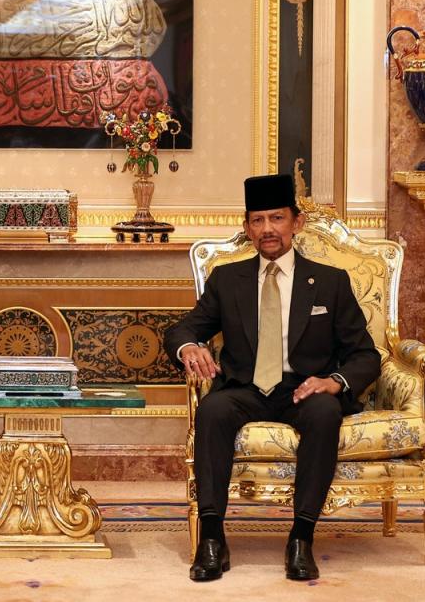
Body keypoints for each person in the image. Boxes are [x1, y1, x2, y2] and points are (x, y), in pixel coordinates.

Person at [164, 173, 380, 582]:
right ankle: (211, 538)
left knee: (323, 413)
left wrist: (333, 381)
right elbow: (182, 329)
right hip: (245, 388)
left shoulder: (330, 282)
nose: (267, 229)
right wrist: (189, 347)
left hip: (304, 389)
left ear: (296, 223)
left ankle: (301, 537)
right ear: (246, 228)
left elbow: (366, 354)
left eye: (276, 218)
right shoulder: (228, 280)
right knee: (212, 410)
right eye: (258, 220)